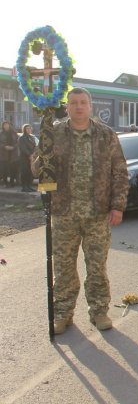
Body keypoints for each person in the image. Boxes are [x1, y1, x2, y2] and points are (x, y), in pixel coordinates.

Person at [32, 88, 128, 334]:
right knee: (63, 267)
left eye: (83, 102)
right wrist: (43, 156)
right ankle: (63, 314)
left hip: (97, 213)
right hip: (64, 212)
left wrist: (117, 206)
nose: (78, 107)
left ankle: (99, 311)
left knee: (97, 266)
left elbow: (119, 171)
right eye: (73, 103)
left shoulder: (105, 135)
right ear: (67, 107)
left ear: (90, 106)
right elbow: (37, 170)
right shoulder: (53, 133)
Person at [18, 123, 37, 192]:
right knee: (24, 172)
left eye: (30, 128)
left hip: (32, 157)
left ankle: (29, 186)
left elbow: (35, 146)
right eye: (27, 128)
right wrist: (30, 155)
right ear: (24, 130)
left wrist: (34, 154)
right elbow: (23, 148)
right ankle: (24, 187)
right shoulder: (22, 138)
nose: (29, 130)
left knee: (30, 172)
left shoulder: (32, 137)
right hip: (24, 158)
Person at [0, 121, 19, 188]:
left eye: (7, 124)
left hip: (13, 153)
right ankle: (5, 183)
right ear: (3, 126)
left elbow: (17, 142)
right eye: (4, 125)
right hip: (4, 153)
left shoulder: (14, 133)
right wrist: (4, 146)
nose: (6, 126)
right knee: (4, 169)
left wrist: (13, 147)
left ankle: (11, 182)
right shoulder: (1, 133)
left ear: (9, 125)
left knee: (13, 169)